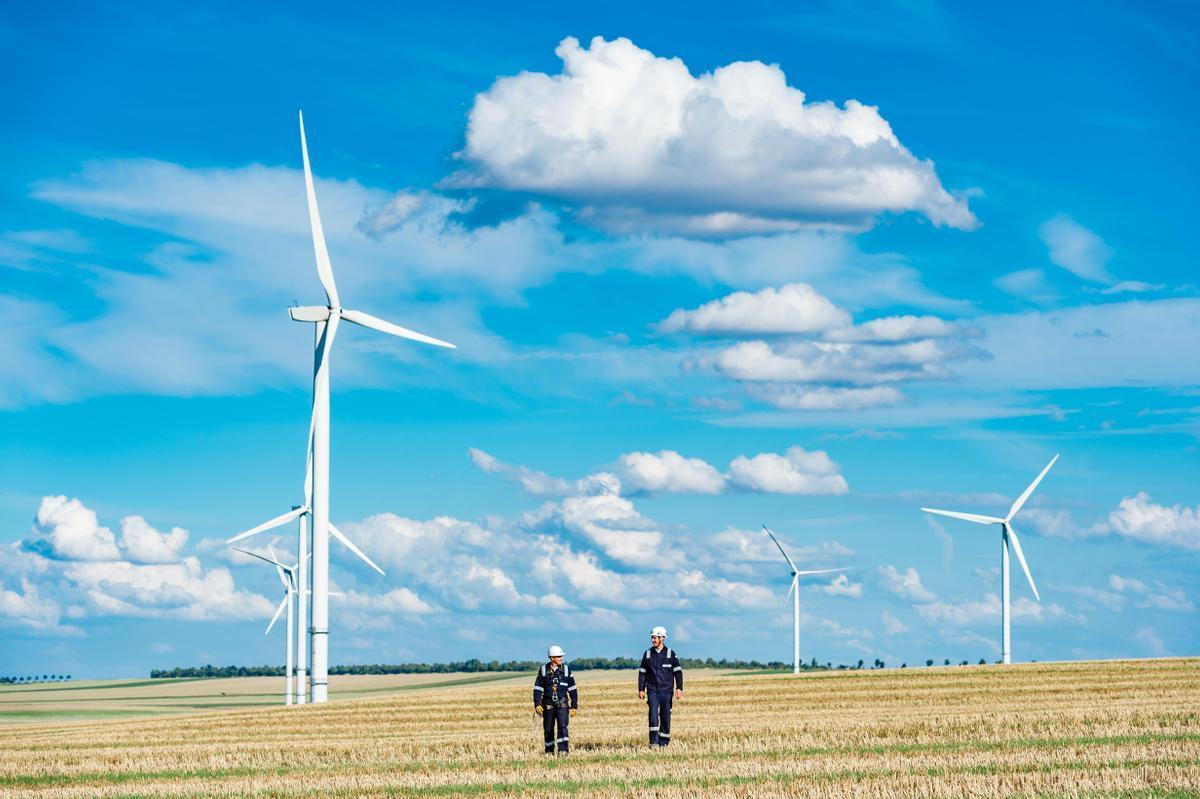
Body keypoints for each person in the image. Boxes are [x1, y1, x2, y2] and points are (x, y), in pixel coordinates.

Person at [637, 625, 683, 747]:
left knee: (665, 716)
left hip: (667, 691)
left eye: (655, 637)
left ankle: (664, 743)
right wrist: (641, 689)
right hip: (652, 690)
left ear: (662, 638)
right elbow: (642, 673)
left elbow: (678, 672)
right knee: (653, 715)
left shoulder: (670, 654)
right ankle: (653, 743)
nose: (653, 640)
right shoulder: (647, 654)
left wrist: (679, 688)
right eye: (652, 638)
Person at [533, 644, 577, 754]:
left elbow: (572, 689)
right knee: (548, 729)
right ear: (552, 658)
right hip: (547, 704)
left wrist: (574, 706)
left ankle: (563, 751)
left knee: (562, 727)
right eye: (559, 656)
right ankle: (549, 751)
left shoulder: (567, 670)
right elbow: (538, 688)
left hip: (562, 704)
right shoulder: (543, 670)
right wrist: (537, 704)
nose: (561, 658)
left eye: (561, 656)